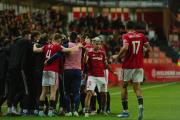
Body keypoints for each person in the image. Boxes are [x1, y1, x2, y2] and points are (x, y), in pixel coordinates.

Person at [33, 33, 83, 117]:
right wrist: (78, 46)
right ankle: (51, 111)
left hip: (45, 70)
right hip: (53, 71)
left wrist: (34, 45)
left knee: (44, 91)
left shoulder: (46, 46)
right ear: (59, 40)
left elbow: (35, 50)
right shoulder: (58, 47)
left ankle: (40, 111)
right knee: (53, 92)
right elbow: (70, 50)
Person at [112, 20, 151, 120]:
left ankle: (126, 112)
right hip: (139, 65)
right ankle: (141, 105)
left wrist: (117, 56)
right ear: (134, 27)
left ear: (126, 27)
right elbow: (149, 49)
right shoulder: (141, 35)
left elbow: (125, 47)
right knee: (137, 88)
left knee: (123, 87)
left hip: (128, 65)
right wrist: (144, 50)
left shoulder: (125, 36)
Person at [45, 31, 90, 117]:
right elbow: (85, 61)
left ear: (69, 38)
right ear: (77, 38)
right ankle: (76, 111)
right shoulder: (81, 47)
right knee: (77, 91)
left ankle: (68, 111)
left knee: (67, 91)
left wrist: (48, 61)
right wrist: (85, 72)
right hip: (77, 70)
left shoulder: (66, 45)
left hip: (67, 70)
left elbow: (58, 55)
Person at [83, 37, 117, 117]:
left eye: (99, 44)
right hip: (92, 76)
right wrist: (85, 54)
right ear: (93, 44)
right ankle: (86, 112)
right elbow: (85, 61)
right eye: (96, 44)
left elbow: (106, 64)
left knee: (104, 94)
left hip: (101, 77)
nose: (98, 45)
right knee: (89, 93)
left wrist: (113, 72)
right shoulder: (89, 52)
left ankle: (102, 110)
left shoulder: (102, 53)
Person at [6, 29, 33, 116]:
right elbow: (33, 45)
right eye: (29, 36)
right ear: (25, 36)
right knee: (25, 90)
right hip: (19, 67)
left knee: (12, 89)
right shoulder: (24, 41)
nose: (30, 38)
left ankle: (9, 111)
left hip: (11, 67)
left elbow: (7, 51)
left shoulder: (13, 43)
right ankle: (25, 111)